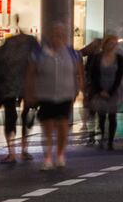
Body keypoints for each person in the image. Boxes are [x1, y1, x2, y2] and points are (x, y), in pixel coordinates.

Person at [25, 21, 82, 172]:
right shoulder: (39, 53)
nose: (58, 37)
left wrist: (79, 89)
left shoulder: (72, 53)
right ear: (49, 36)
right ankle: (48, 157)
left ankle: (60, 154)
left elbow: (78, 73)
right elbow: (30, 74)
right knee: (48, 127)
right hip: (45, 94)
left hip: (65, 94)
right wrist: (29, 93)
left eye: (61, 35)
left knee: (63, 125)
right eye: (55, 34)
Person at [0, 20, 40, 163]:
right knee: (27, 116)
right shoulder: (32, 43)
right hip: (28, 86)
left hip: (10, 86)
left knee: (10, 117)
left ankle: (12, 152)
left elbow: (1, 64)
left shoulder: (8, 44)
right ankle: (24, 150)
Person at [84, 32, 123, 149]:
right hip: (100, 89)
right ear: (105, 44)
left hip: (114, 89)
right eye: (110, 43)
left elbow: (119, 76)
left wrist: (111, 91)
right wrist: (100, 90)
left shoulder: (119, 59)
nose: (112, 46)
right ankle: (103, 137)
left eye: (114, 44)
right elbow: (93, 75)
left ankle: (110, 142)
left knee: (112, 116)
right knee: (101, 115)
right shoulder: (97, 58)